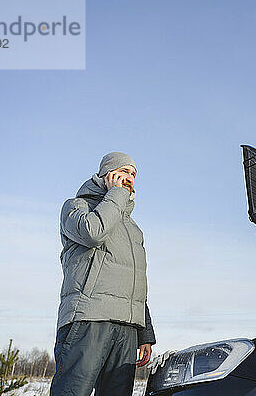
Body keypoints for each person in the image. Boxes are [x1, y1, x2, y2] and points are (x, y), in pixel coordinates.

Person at [50, 152, 156, 396]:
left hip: (127, 328)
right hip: (89, 319)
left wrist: (144, 332)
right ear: (107, 174)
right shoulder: (76, 207)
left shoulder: (133, 229)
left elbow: (136, 282)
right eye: (124, 171)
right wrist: (116, 194)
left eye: (133, 174)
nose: (130, 178)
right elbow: (92, 233)